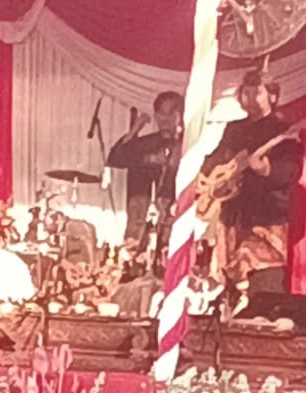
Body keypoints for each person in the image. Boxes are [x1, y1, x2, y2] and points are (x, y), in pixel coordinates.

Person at [203, 70, 301, 296]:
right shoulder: (234, 129)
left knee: (264, 284)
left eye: (257, 92)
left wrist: (266, 169)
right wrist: (210, 174)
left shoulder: (283, 129)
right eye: (245, 93)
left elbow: (291, 170)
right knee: (231, 284)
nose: (250, 98)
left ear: (272, 96)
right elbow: (217, 159)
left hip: (268, 217)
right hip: (234, 216)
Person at [106, 91, 184, 243]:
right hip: (138, 230)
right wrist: (135, 129)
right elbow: (115, 159)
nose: (165, 120)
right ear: (156, 116)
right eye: (161, 114)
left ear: (179, 116)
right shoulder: (146, 144)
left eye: (171, 114)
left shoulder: (187, 147)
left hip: (171, 230)